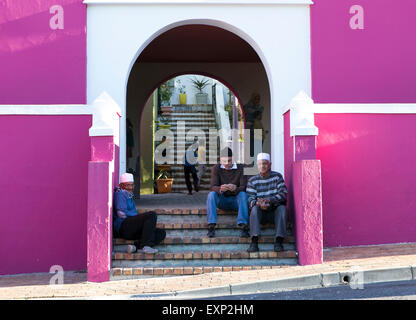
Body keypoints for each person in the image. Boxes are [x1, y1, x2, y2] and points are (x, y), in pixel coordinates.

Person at [113, 173, 166, 253]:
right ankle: (146, 245)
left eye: (132, 185)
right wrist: (135, 220)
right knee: (151, 215)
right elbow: (120, 214)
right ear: (121, 185)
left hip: (131, 227)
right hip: (123, 227)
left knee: (161, 233)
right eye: (127, 185)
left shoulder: (129, 194)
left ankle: (136, 247)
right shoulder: (121, 193)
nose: (130, 187)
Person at [246, 153, 288, 252]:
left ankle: (279, 241)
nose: (262, 166)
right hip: (261, 213)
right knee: (254, 209)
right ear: (257, 165)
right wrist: (258, 203)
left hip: (274, 211)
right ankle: (254, 241)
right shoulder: (252, 180)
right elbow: (250, 199)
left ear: (270, 164)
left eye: (265, 163)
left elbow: (283, 194)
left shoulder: (277, 177)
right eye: (260, 164)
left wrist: (270, 200)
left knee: (282, 209)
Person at [206, 147, 249, 238]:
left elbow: (245, 187)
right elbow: (212, 187)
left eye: (229, 161)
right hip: (222, 200)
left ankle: (244, 226)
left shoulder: (241, 167)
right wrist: (220, 189)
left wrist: (236, 189)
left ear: (233, 158)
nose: (227, 164)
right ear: (220, 160)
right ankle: (211, 226)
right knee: (211, 195)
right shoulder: (216, 168)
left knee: (243, 194)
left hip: (236, 201)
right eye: (224, 161)